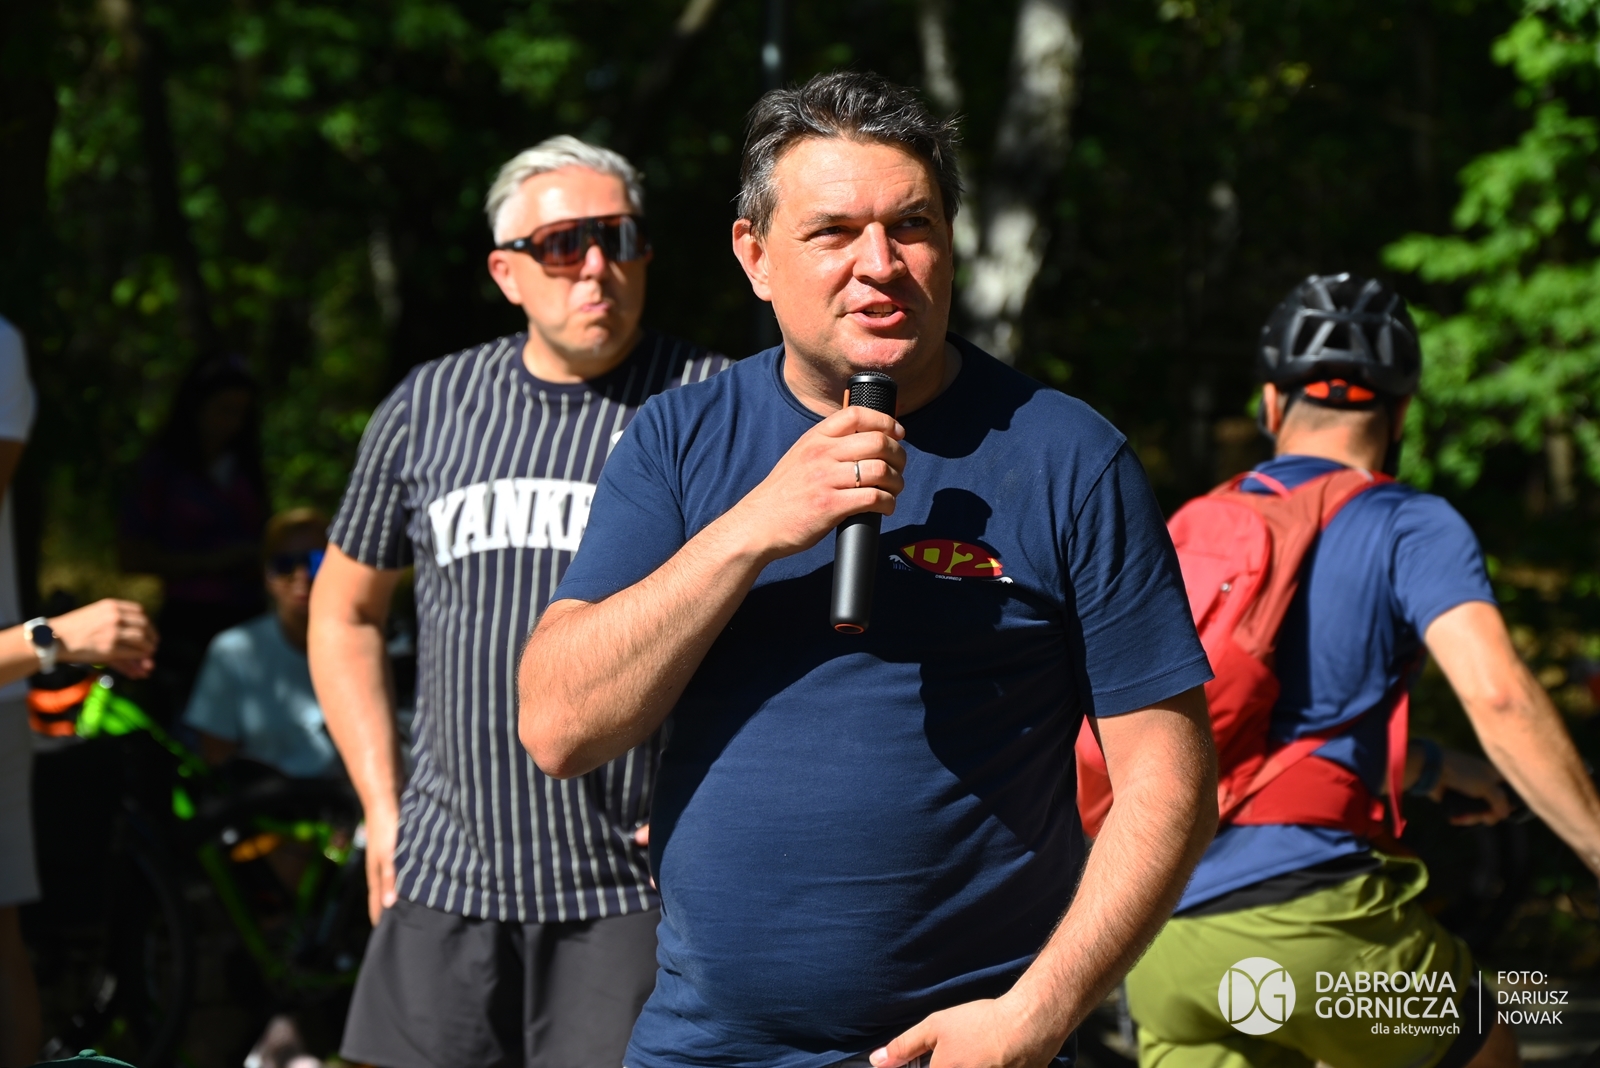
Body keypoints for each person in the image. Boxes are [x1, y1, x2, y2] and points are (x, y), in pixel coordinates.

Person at [519, 71, 1219, 1068]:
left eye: (912, 226)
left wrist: (1036, 1014)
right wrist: (755, 528)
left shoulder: (1068, 457)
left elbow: (1169, 782)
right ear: (755, 256)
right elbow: (559, 726)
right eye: (834, 232)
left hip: (965, 1050)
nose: (880, 265)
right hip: (708, 1045)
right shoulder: (678, 441)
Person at [309, 135, 730, 1068]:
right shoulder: (430, 406)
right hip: (445, 877)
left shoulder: (713, 402)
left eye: (620, 238)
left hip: (630, 890)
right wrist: (382, 802)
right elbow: (344, 610)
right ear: (506, 272)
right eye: (563, 244)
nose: (596, 267)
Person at [1122, 274, 1600, 1068]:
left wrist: (1436, 768)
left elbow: (1256, 733)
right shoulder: (1408, 521)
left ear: (1271, 403)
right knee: (1486, 1045)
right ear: (1401, 413)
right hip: (1314, 924)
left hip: (1163, 935)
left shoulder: (1193, 524)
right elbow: (1500, 697)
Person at [120, 355, 269, 716]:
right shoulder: (161, 470)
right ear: (196, 408)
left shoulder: (245, 469)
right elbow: (131, 556)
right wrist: (212, 562)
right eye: (223, 410)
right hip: (187, 626)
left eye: (241, 413)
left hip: (249, 618)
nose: (232, 423)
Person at [183, 508, 339, 778]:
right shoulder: (233, 652)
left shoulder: (377, 645)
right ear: (268, 576)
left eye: (317, 560)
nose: (302, 575)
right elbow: (217, 758)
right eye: (285, 564)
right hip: (266, 800)